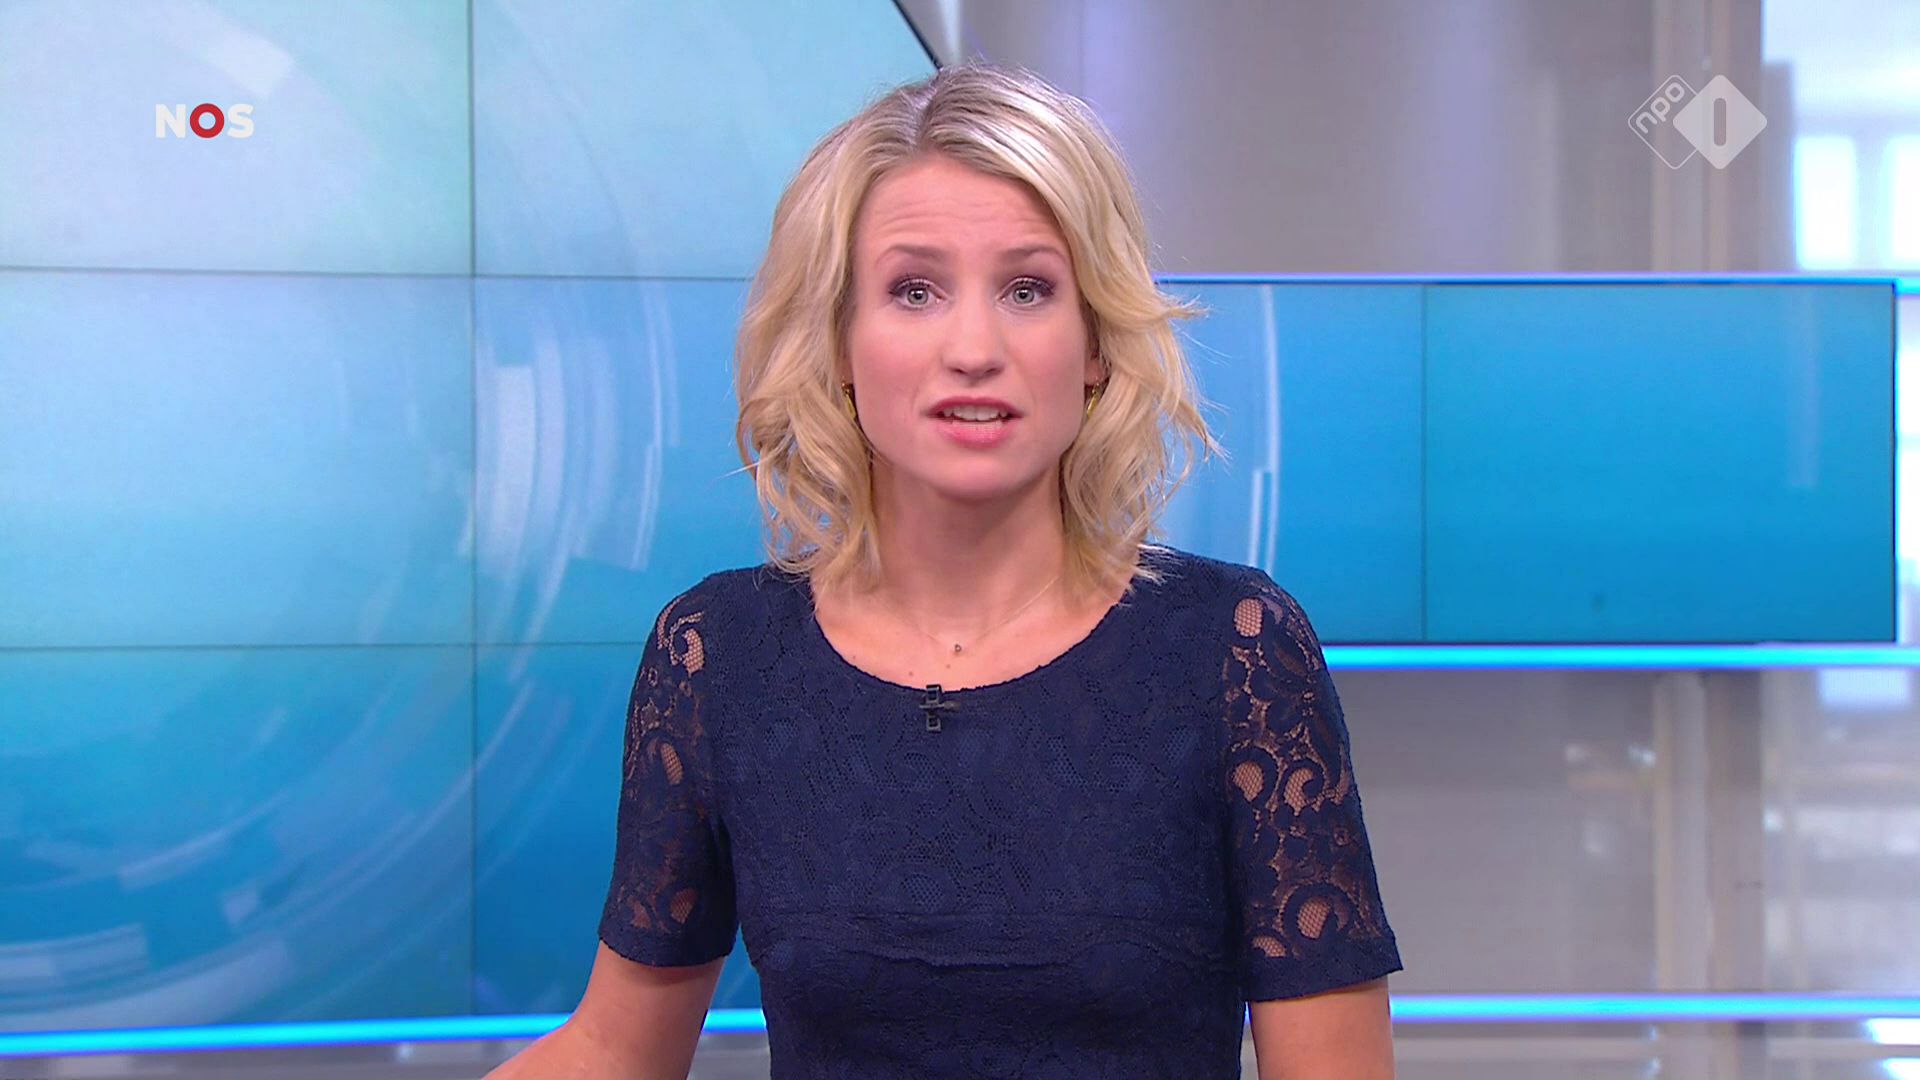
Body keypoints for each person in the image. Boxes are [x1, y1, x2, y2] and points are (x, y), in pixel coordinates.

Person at [486, 61, 1401, 1080]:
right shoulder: (717, 657)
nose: (974, 348)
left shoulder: (1234, 651)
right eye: (914, 291)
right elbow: (615, 1048)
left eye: (1028, 289)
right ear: (838, 340)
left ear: (1096, 344)